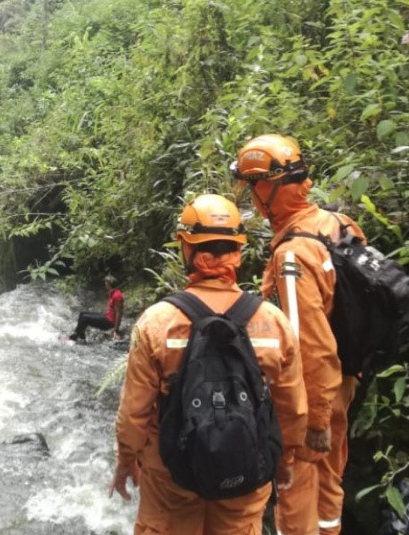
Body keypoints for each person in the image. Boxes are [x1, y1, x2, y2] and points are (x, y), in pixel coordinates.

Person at [108, 194, 307, 535]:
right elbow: (292, 410)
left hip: (171, 474)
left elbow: (134, 413)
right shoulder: (273, 323)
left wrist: (126, 461)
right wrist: (284, 461)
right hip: (245, 470)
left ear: (186, 248)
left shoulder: (157, 322)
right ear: (239, 251)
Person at [231, 134, 367, 535]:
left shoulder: (292, 255)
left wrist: (316, 420)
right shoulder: (337, 223)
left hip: (312, 398)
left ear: (269, 185)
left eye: (252, 185)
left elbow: (310, 343)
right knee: (329, 485)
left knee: (297, 496)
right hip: (344, 380)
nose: (252, 196)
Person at [69, 275, 124, 342]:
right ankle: (80, 335)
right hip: (107, 316)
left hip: (109, 322)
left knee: (85, 318)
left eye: (106, 283)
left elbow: (119, 313)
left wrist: (116, 329)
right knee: (82, 314)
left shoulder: (117, 295)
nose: (105, 284)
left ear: (109, 284)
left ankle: (75, 336)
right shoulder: (112, 292)